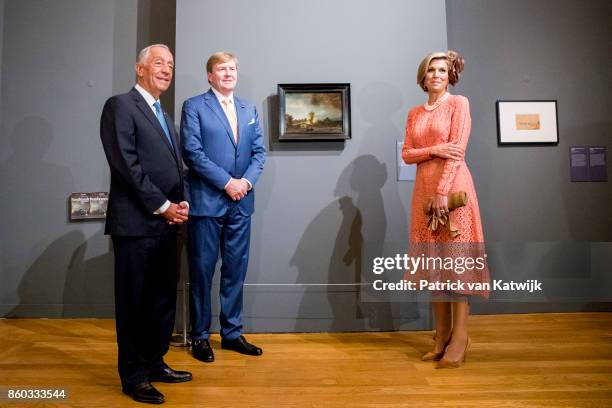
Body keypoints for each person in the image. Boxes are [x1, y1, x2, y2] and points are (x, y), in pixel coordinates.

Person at [100, 44, 192, 404]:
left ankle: (155, 363)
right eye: (159, 63)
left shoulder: (163, 113)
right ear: (139, 69)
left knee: (162, 300)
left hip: (169, 223)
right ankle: (134, 375)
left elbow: (171, 166)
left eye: (170, 64)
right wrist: (163, 205)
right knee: (135, 303)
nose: (166, 69)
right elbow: (125, 163)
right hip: (136, 225)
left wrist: (179, 202)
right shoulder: (120, 106)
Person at [402, 50, 490, 369]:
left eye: (442, 70)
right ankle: (440, 336)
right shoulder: (414, 113)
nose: (436, 75)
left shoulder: (459, 103)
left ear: (449, 74)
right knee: (434, 265)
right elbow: (408, 155)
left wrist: (442, 191)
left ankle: (460, 337)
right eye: (430, 70)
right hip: (422, 190)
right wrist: (434, 149)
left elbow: (457, 151)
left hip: (453, 189)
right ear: (422, 77)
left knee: (456, 263)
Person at [180, 51, 266, 363]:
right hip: (207, 202)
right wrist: (227, 182)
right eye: (221, 69)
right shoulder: (194, 106)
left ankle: (231, 334)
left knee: (235, 270)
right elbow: (192, 152)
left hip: (241, 202)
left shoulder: (249, 108)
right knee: (202, 271)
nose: (228, 73)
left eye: (232, 69)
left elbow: (259, 153)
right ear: (210, 76)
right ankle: (200, 337)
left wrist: (245, 183)